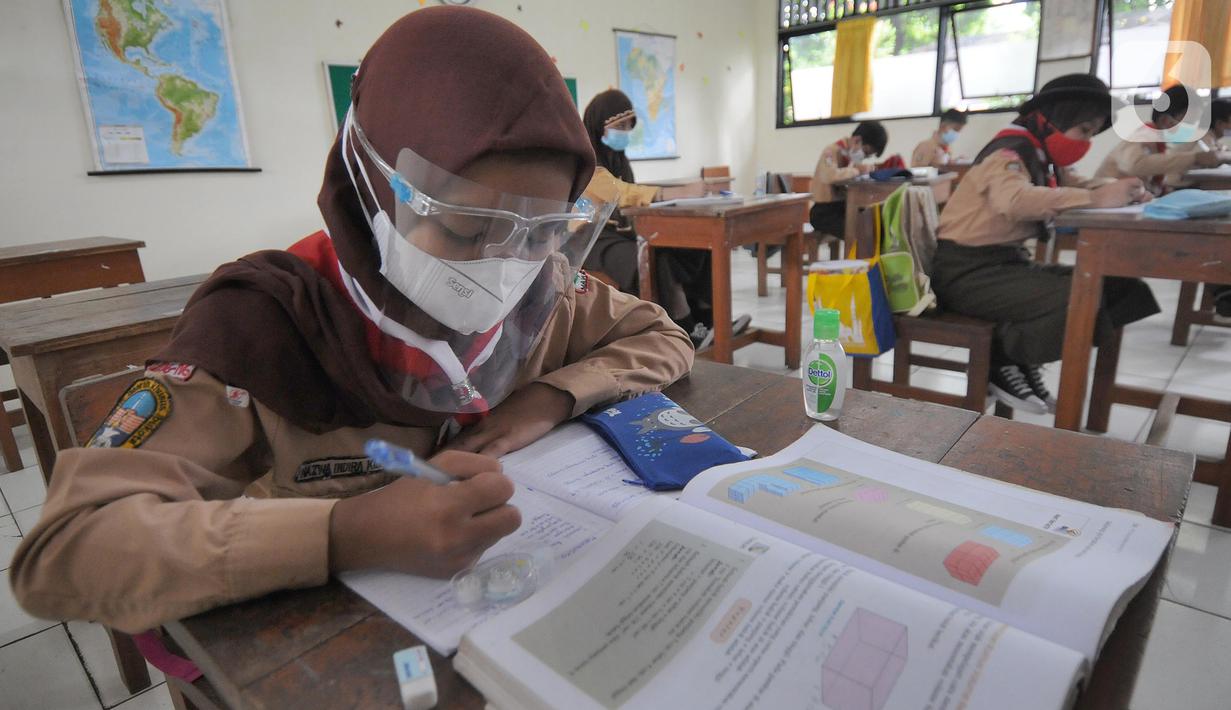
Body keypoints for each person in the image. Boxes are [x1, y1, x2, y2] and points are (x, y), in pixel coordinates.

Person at [10, 7, 693, 634]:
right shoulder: (263, 325)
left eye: (537, 231)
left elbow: (661, 336)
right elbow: (66, 550)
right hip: (329, 643)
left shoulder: (544, 286)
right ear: (369, 184)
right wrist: (344, 533)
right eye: (461, 230)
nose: (502, 267)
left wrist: (548, 397)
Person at [931, 74, 1160, 414]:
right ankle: (1002, 358)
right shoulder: (1008, 151)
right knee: (1082, 295)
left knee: (1122, 289)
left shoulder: (1040, 155)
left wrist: (1120, 189)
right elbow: (1014, 199)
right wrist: (1097, 199)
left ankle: (1019, 358)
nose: (1086, 141)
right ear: (1053, 118)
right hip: (966, 271)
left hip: (1006, 264)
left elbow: (1079, 182)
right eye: (1083, 130)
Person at [580, 89, 750, 350]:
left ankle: (710, 321)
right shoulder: (587, 163)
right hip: (591, 241)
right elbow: (621, 193)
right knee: (655, 257)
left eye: (628, 126)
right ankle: (686, 328)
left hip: (618, 234)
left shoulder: (619, 161)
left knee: (696, 248)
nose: (625, 132)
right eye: (619, 126)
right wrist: (672, 192)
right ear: (598, 125)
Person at [1095, 84, 1231, 195]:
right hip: (1106, 201)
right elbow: (1135, 165)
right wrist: (1194, 158)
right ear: (1166, 120)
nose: (1192, 130)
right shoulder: (1143, 136)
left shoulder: (1159, 143)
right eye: (1188, 123)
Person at [809, 121, 889, 241]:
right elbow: (829, 176)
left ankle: (874, 257)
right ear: (857, 140)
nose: (864, 157)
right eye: (866, 153)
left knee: (875, 222)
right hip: (823, 212)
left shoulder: (850, 155)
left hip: (842, 207)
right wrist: (856, 170)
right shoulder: (831, 151)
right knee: (860, 230)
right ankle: (858, 259)